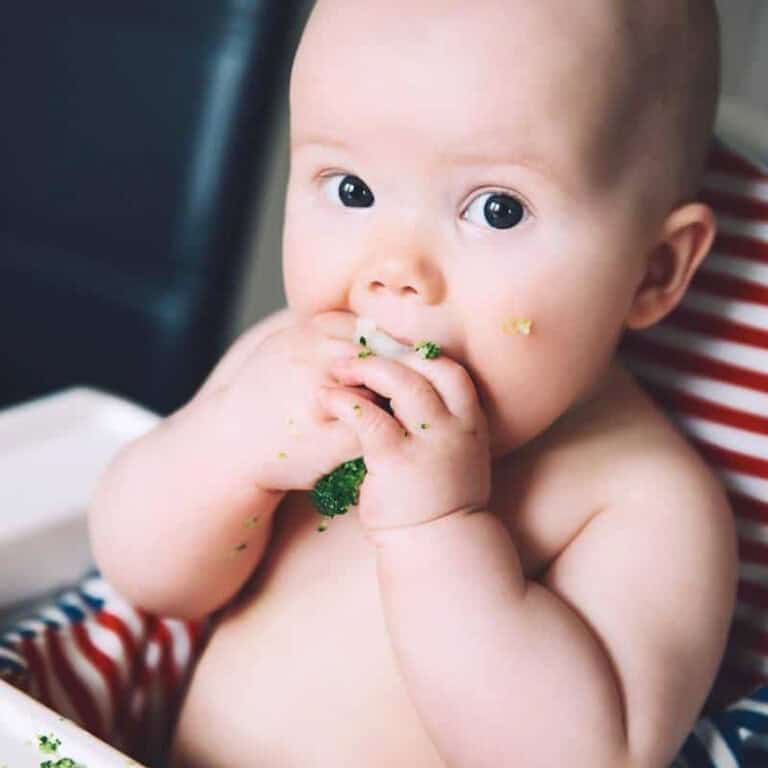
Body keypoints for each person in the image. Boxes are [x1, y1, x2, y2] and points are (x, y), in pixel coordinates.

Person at [88, 1, 738, 765]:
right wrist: (226, 451)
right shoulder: (285, 373)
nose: (395, 269)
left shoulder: (640, 504)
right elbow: (148, 582)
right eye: (351, 189)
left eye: (497, 209)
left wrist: (438, 533)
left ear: (652, 271)